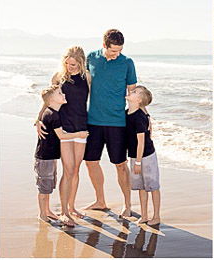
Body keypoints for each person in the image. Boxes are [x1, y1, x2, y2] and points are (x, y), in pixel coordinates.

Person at [83, 29, 137, 216]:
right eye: (113, 51)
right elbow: (82, 84)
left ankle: (128, 205)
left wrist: (143, 119)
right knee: (90, 161)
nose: (117, 54)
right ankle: (100, 200)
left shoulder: (127, 63)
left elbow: (133, 93)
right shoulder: (91, 58)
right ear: (104, 45)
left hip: (117, 123)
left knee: (120, 164)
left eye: (120, 50)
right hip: (94, 121)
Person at [34, 85, 88, 224]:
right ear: (52, 100)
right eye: (59, 93)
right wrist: (79, 134)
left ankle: (47, 211)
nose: (63, 94)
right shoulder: (53, 115)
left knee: (49, 185)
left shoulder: (52, 113)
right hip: (44, 156)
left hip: (50, 156)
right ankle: (42, 214)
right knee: (44, 187)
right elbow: (62, 136)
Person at [51, 46, 90, 223]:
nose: (70, 67)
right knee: (67, 170)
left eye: (73, 64)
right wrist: (39, 119)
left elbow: (100, 98)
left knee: (75, 170)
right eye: (67, 64)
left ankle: (72, 206)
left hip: (82, 127)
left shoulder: (87, 77)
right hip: (64, 128)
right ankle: (64, 211)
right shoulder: (58, 77)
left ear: (81, 63)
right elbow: (49, 100)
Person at [125, 85, 161, 225]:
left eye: (134, 92)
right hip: (135, 156)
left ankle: (156, 216)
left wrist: (138, 162)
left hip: (146, 156)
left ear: (139, 100)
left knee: (152, 186)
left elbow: (141, 142)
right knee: (141, 186)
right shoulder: (127, 113)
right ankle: (144, 215)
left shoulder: (139, 117)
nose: (130, 91)